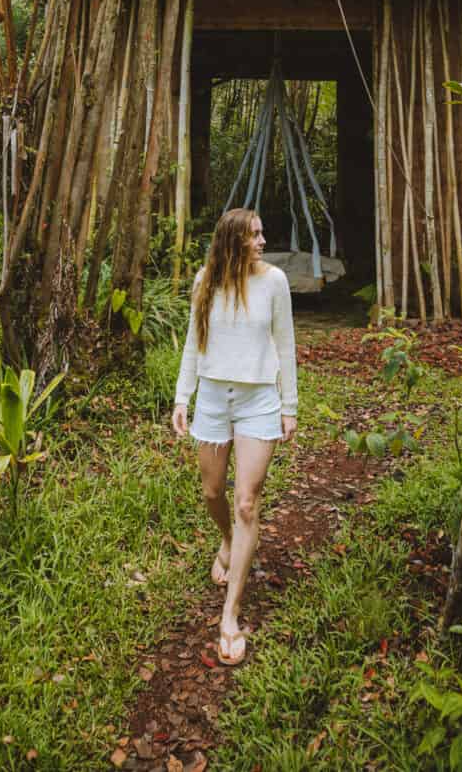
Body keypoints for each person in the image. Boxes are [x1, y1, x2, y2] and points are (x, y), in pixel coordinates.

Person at [172, 207, 298, 666]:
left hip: (258, 400)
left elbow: (285, 345)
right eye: (255, 235)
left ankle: (231, 615)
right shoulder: (207, 279)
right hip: (212, 399)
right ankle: (228, 540)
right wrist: (182, 397)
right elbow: (194, 340)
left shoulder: (274, 282)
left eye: (263, 233)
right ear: (232, 241)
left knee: (247, 501)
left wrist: (289, 407)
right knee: (211, 492)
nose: (263, 242)